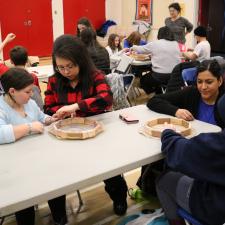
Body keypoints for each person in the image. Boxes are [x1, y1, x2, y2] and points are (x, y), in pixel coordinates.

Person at [44, 34, 128, 215]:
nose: (65, 72)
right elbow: (49, 107)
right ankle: (58, 216)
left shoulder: (94, 76)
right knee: (56, 177)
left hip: (95, 134)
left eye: (70, 66)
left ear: (80, 61)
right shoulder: (53, 80)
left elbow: (105, 98)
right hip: (65, 136)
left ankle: (119, 199)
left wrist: (75, 107)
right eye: (60, 67)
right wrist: (61, 112)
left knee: (110, 170)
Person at [0, 68, 67, 225]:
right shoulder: (2, 107)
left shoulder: (28, 103)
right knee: (24, 195)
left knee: (55, 182)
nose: (32, 95)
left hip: (39, 158)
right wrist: (29, 127)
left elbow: (40, 117)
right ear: (12, 91)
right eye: (28, 91)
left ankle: (60, 218)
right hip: (15, 167)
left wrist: (51, 119)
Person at [156, 93, 225, 225]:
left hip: (217, 208)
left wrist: (168, 133)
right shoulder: (190, 94)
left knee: (163, 180)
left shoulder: (218, 145)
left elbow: (182, 154)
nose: (204, 87)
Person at [147, 60, 225, 128]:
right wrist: (176, 111)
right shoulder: (191, 93)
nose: (203, 87)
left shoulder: (223, 101)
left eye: (209, 82)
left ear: (220, 81)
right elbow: (154, 100)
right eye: (199, 81)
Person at [131, 26, 181, 94]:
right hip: (175, 76)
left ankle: (154, 94)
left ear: (159, 34)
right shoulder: (176, 43)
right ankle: (159, 93)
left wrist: (132, 47)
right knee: (153, 77)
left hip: (160, 76)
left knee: (143, 80)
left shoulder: (155, 43)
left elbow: (141, 49)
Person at [9, 45, 43, 109]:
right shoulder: (33, 77)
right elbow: (38, 96)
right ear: (27, 60)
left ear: (11, 61)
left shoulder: (8, 78)